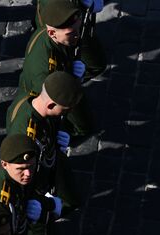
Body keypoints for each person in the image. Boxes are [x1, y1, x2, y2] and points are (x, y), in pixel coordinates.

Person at [19, 0, 106, 136]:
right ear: (53, 33)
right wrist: (72, 78)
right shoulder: (44, 69)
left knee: (96, 64)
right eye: (72, 33)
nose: (77, 35)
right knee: (83, 127)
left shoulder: (62, 37)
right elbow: (48, 100)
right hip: (54, 91)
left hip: (61, 69)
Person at [7, 71, 83, 214]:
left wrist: (54, 136)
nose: (70, 112)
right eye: (66, 109)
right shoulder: (27, 136)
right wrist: (43, 201)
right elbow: (23, 175)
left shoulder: (29, 101)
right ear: (50, 105)